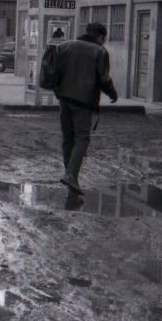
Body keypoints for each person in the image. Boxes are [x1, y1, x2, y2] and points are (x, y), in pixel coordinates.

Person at [55, 22, 118, 195]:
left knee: (68, 138)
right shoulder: (99, 51)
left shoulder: (66, 46)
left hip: (64, 99)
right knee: (82, 138)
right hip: (83, 101)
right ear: (101, 37)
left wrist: (58, 91)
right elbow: (103, 78)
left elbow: (55, 71)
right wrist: (112, 93)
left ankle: (69, 175)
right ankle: (71, 175)